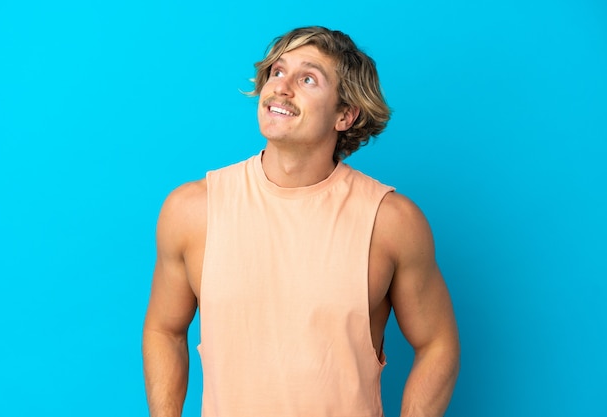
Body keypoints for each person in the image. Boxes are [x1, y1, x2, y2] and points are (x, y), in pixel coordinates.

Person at [142, 26, 460, 417]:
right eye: (277, 72)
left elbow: (438, 343)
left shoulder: (390, 221)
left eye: (307, 79)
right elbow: (164, 330)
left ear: (345, 114)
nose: (281, 87)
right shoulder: (192, 209)